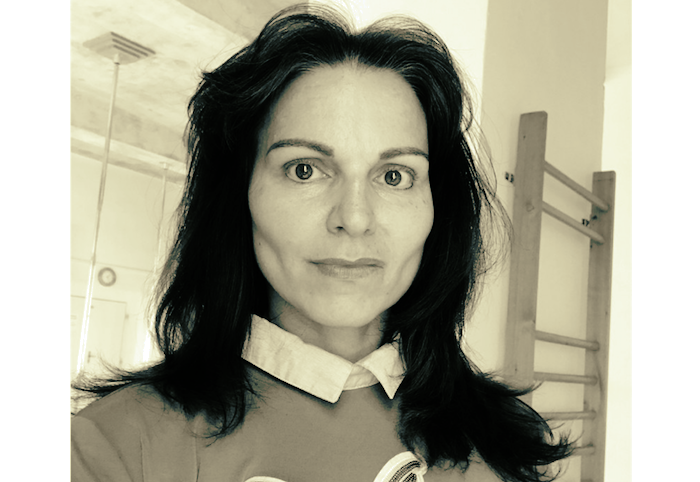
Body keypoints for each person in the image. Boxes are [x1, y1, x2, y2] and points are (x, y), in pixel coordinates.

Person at [71, 4, 573, 482]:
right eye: (305, 170)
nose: (354, 218)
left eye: (395, 176)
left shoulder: (508, 437)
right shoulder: (116, 446)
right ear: (240, 195)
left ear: (437, 210)